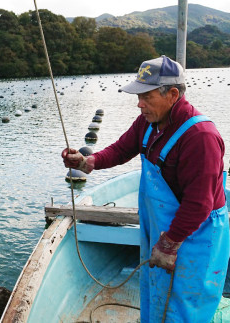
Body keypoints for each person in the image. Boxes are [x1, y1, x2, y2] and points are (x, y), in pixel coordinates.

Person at [62, 55, 229, 322]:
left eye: (146, 96)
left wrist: (169, 244)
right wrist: (87, 161)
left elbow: (199, 205)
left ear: (173, 94)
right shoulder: (148, 123)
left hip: (195, 235)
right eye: (137, 96)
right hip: (161, 229)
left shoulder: (201, 138)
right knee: (155, 294)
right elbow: (121, 149)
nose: (139, 104)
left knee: (185, 305)